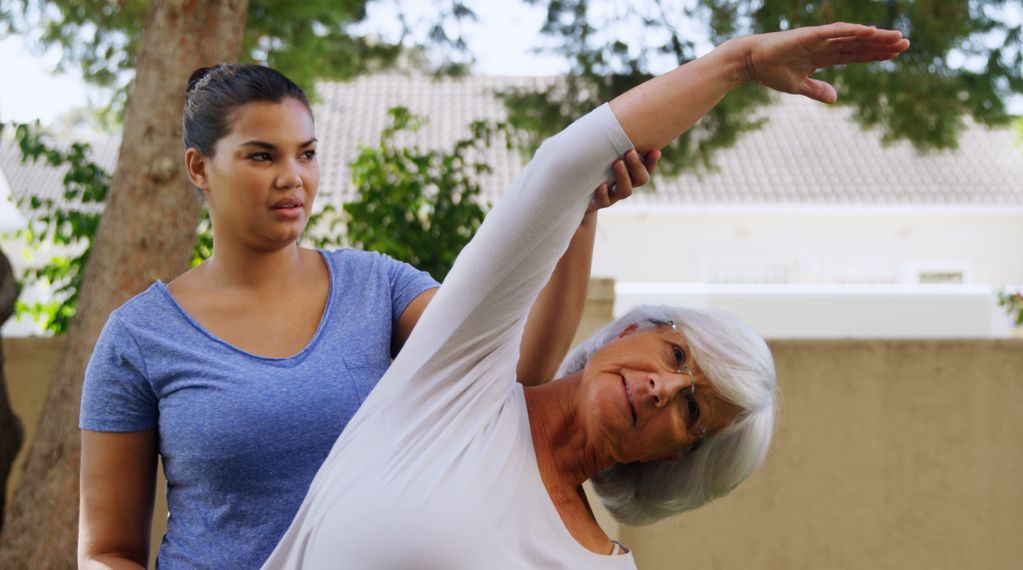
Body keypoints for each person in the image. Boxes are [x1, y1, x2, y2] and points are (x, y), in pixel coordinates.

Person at [262, 22, 909, 568]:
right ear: (634, 331)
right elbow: (562, 167)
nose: (663, 389)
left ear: (675, 457)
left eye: (691, 412)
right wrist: (736, 63)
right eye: (678, 358)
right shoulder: (457, 380)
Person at [77, 64, 658, 568]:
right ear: (199, 168)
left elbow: (521, 366)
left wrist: (580, 215)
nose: (293, 177)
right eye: (261, 155)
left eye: (306, 153)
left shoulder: (378, 287)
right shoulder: (140, 337)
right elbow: (107, 551)